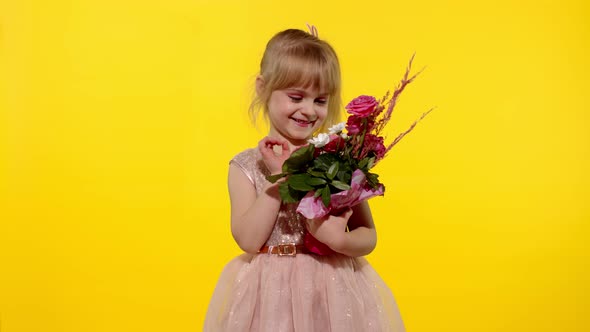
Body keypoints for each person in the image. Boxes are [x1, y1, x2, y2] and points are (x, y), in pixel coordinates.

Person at [204, 27, 405, 332]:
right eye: (296, 97)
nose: (308, 110)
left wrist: (340, 240)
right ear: (263, 89)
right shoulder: (246, 165)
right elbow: (248, 240)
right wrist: (282, 177)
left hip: (333, 293)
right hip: (270, 296)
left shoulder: (337, 160)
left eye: (320, 100)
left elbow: (368, 234)